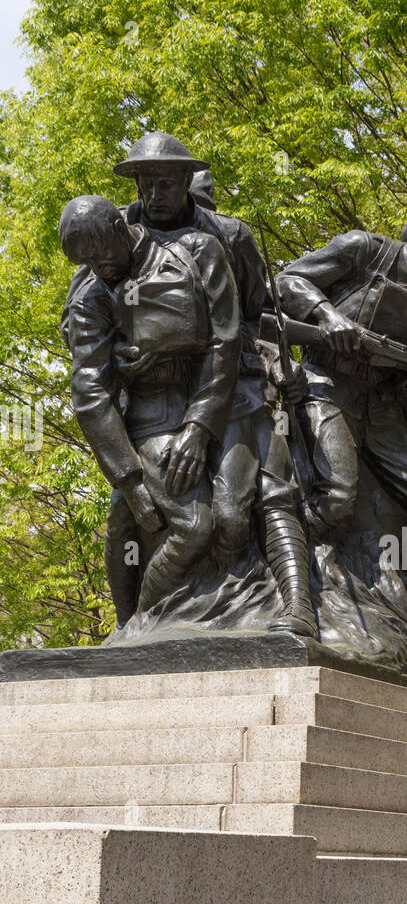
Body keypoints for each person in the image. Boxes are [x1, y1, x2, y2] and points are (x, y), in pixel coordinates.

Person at [103, 131, 314, 635]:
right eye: (144, 185)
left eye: (165, 185)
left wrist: (279, 364)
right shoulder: (115, 234)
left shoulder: (230, 236)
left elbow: (260, 316)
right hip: (154, 393)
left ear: (185, 182)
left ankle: (293, 607)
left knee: (254, 501)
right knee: (129, 515)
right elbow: (84, 316)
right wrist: (123, 352)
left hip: (235, 382)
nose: (153, 196)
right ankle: (128, 626)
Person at [275, 195, 407, 623]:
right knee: (337, 498)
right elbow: (285, 282)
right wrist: (327, 317)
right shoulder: (364, 250)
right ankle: (281, 572)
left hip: (383, 409)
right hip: (328, 386)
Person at [59, 195, 239, 617]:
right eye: (86, 263)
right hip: (149, 419)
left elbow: (225, 340)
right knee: (157, 521)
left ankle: (144, 624)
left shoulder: (191, 253)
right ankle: (137, 624)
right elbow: (90, 389)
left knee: (241, 513)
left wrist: (198, 426)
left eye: (102, 257)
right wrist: (129, 480)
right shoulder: (92, 296)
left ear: (122, 230)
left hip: (223, 405)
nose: (99, 270)